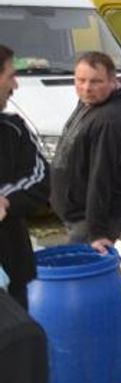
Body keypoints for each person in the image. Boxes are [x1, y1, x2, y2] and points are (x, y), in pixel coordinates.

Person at [49, 51, 121, 252]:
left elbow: (102, 177)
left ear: (113, 81)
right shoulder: (91, 102)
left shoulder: (111, 120)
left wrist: (97, 233)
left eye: (96, 81)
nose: (86, 88)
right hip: (78, 212)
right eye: (80, 80)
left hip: (92, 220)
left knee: (80, 276)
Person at [0, 45, 49, 309]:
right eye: (10, 75)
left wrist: (5, 200)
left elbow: (40, 178)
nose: (15, 85)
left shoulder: (13, 129)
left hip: (12, 266)